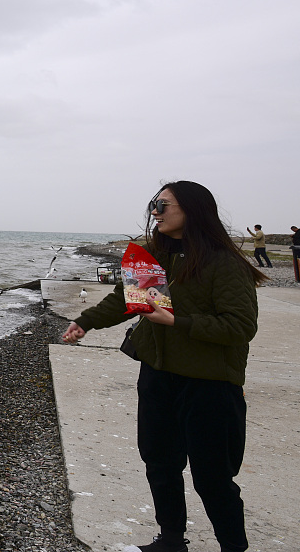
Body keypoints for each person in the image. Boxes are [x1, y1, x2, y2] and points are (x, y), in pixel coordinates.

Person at [62, 181, 265, 552]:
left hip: (210, 384)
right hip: (158, 375)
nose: (155, 211)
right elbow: (127, 299)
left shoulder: (223, 262)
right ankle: (171, 540)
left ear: (193, 209)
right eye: (153, 204)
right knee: (160, 462)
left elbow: (240, 327)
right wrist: (85, 321)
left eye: (164, 205)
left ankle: (234, 548)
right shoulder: (152, 255)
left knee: (213, 478)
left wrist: (177, 321)